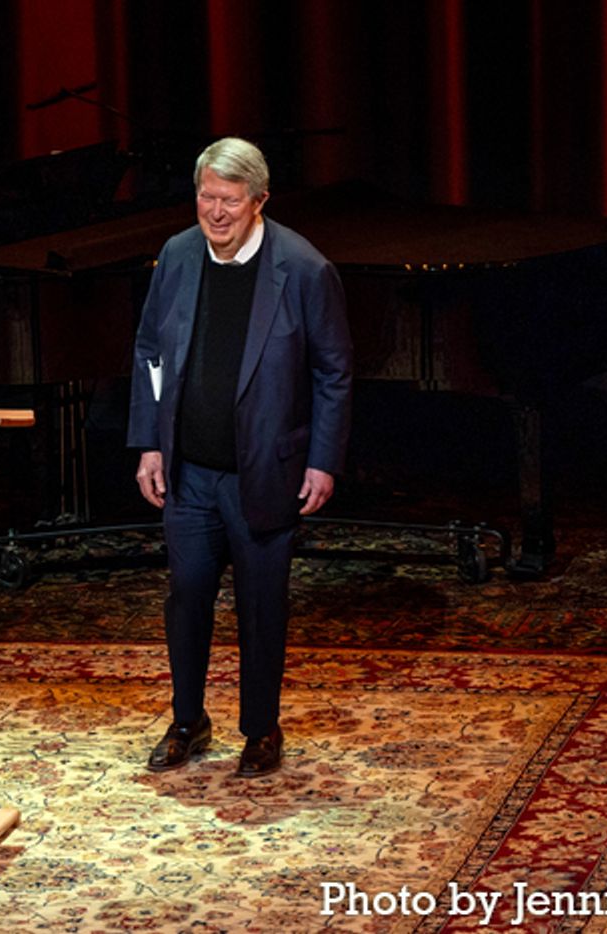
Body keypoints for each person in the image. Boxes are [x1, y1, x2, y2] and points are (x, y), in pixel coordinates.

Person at [127, 137, 353, 778]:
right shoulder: (176, 255)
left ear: (259, 202)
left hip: (266, 472)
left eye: (229, 200)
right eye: (206, 196)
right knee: (188, 595)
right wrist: (149, 441)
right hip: (190, 472)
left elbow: (334, 371)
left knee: (260, 606)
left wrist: (322, 460)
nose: (215, 212)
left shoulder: (304, 269)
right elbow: (149, 351)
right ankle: (187, 720)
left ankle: (260, 730)